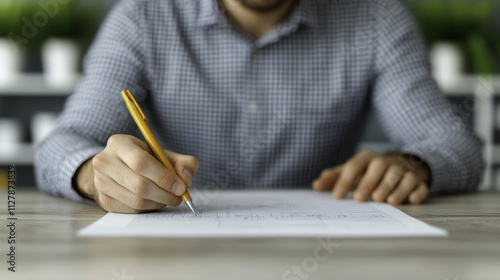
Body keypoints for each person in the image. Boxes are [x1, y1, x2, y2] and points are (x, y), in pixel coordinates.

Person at [35, 0, 484, 214]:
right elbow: (59, 145)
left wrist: (411, 164)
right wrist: (95, 174)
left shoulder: (377, 19)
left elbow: (455, 144)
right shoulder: (143, 17)